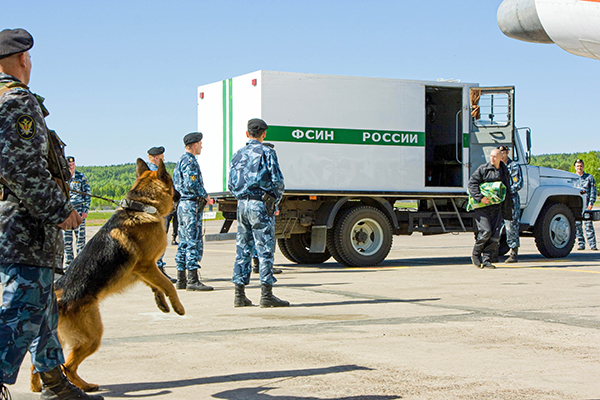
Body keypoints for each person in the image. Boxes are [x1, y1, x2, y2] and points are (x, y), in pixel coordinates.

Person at [0, 28, 102, 400]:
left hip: (15, 225)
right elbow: (21, 167)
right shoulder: (15, 100)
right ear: (23, 59)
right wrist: (60, 210)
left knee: (43, 310)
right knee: (23, 308)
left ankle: (55, 382)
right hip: (23, 227)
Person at [228, 118, 288, 307]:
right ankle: (266, 294)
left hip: (242, 204)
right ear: (264, 134)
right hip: (260, 204)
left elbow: (230, 183)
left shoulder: (238, 154)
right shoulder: (267, 152)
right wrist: (274, 202)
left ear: (247, 134)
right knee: (265, 249)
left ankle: (239, 294)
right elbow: (277, 181)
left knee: (243, 248)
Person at [172, 132, 213, 291]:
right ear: (195, 144)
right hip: (190, 205)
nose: (201, 146)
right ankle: (193, 279)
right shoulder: (190, 162)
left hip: (183, 204)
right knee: (192, 241)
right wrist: (205, 195)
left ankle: (181, 278)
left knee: (183, 241)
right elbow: (191, 184)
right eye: (200, 144)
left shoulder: (180, 161)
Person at [468, 148, 513, 269]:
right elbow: (472, 184)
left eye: (495, 157)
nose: (492, 158)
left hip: (496, 208)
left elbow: (507, 189)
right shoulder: (483, 169)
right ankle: (476, 254)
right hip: (483, 208)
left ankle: (487, 260)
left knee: (495, 235)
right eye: (491, 156)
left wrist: (508, 209)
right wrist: (480, 197)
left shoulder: (504, 171)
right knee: (486, 231)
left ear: (500, 158)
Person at [146, 146, 176, 283]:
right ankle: (159, 272)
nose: (164, 160)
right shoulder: (155, 173)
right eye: (162, 158)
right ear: (156, 158)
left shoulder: (145, 172)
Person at [63, 155, 91, 269]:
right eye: (69, 165)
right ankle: (69, 263)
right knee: (67, 239)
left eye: (73, 164)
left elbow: (87, 194)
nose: (71, 167)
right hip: (66, 212)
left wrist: (85, 210)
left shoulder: (80, 177)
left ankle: (81, 263)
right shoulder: (63, 177)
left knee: (80, 239)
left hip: (79, 210)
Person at [498, 145, 523, 263]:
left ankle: (513, 253)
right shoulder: (497, 166)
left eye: (503, 152)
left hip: (511, 200)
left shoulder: (514, 166)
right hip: (499, 201)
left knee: (511, 227)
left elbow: (518, 184)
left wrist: (505, 191)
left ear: (507, 153)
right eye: (499, 152)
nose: (501, 154)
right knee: (497, 226)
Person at [574, 158, 597, 251]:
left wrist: (591, 203)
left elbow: (593, 191)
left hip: (586, 205)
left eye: (581, 166)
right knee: (577, 226)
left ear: (583, 166)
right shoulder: (572, 178)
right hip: (576, 206)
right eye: (578, 166)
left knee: (588, 225)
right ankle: (581, 244)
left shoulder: (589, 178)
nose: (579, 167)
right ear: (575, 167)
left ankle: (592, 245)